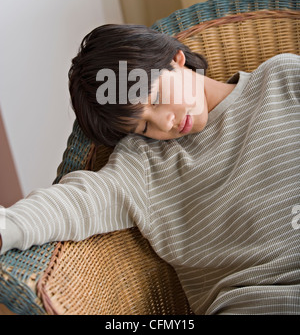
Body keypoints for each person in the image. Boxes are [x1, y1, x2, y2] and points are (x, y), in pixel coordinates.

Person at [1, 24, 299, 315]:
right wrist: (8, 227)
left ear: (175, 59)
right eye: (143, 125)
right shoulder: (145, 163)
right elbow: (80, 200)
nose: (163, 123)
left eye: (155, 99)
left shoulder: (281, 79)